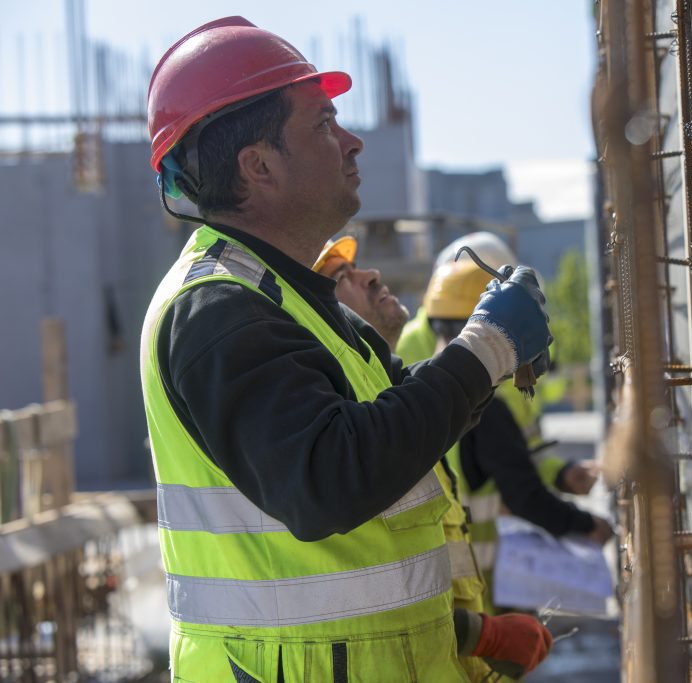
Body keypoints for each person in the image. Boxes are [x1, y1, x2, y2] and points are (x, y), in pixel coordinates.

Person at [140, 17, 554, 681]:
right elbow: (329, 478)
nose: (352, 141)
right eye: (324, 124)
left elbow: (388, 443)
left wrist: (475, 632)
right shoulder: (216, 310)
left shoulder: (301, 306)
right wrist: (486, 347)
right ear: (259, 166)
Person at [313, 237, 497, 681]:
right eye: (342, 277)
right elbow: (366, 592)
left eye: (356, 266)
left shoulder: (392, 399)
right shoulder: (352, 430)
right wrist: (481, 635)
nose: (371, 275)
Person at [398, 255, 615, 613]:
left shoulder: (409, 394)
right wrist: (584, 524)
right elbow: (521, 490)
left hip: (431, 597)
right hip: (485, 593)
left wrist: (559, 474)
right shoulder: (483, 405)